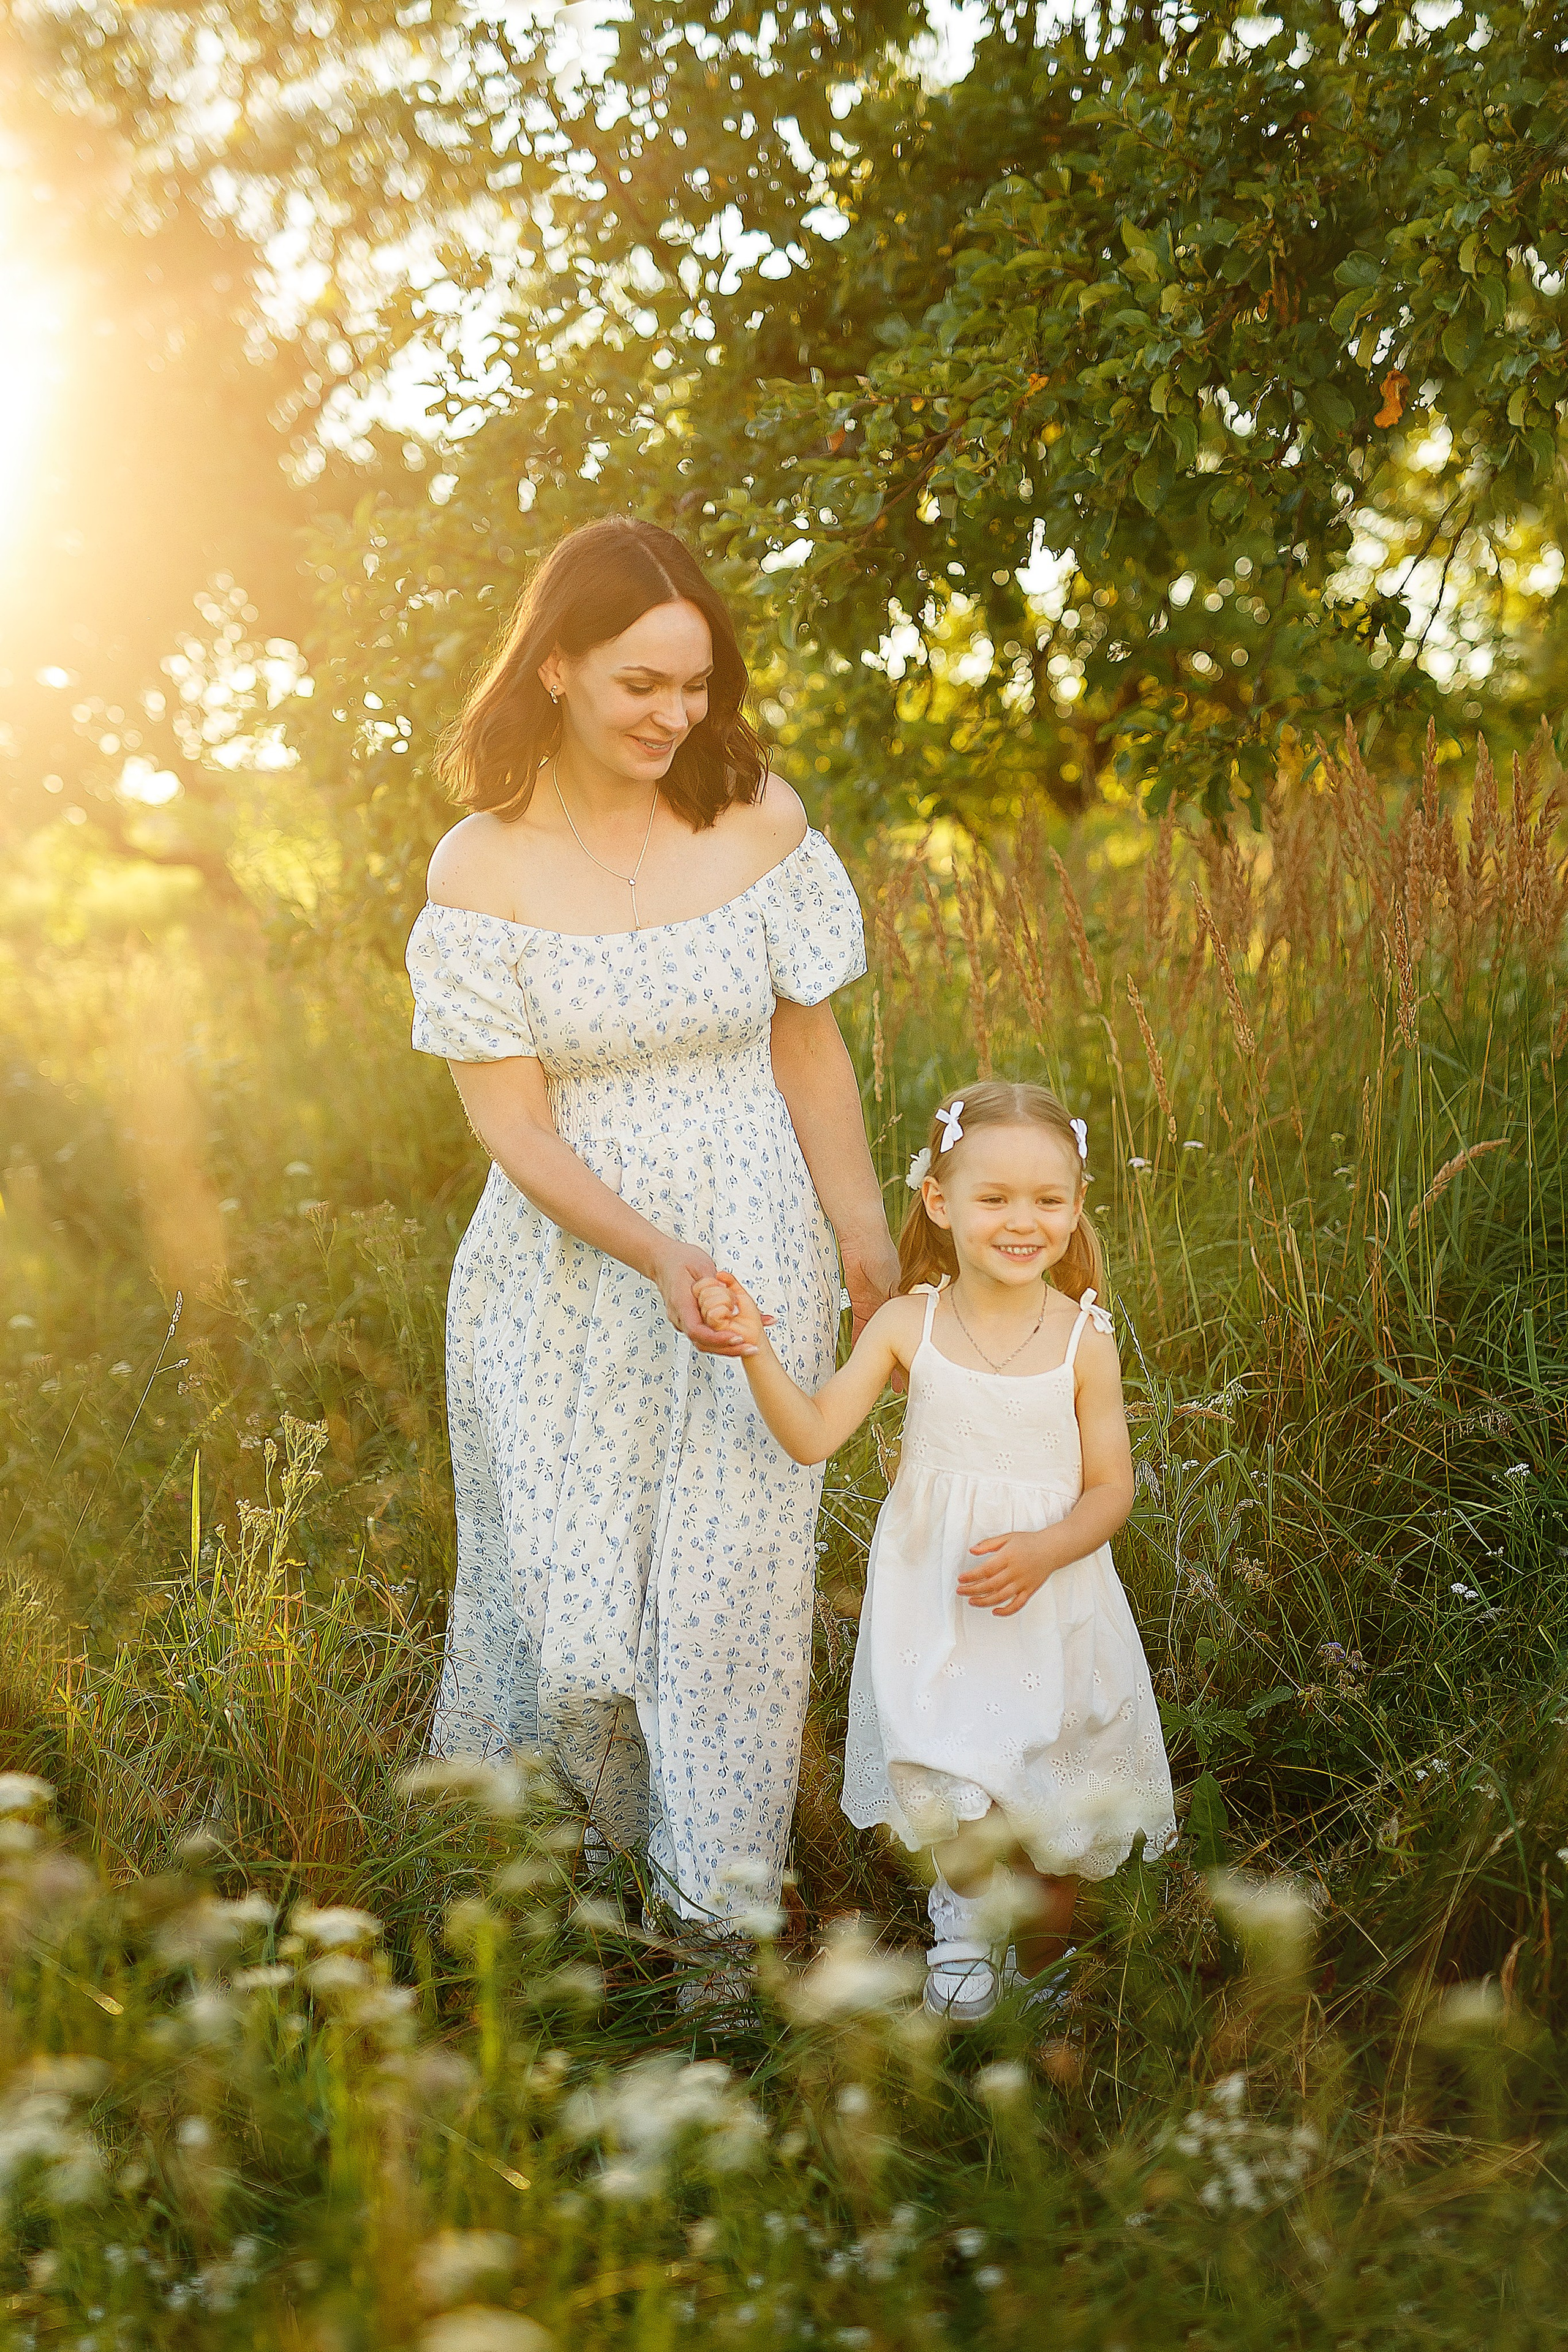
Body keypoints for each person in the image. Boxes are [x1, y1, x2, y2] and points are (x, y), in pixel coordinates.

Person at [404, 516, 899, 1930]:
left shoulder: (759, 820)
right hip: (562, 1275)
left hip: (754, 1255)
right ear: (555, 667)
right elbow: (512, 1127)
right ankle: (568, 1905)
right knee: (570, 1633)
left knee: (724, 1614)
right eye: (640, 684)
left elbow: (805, 1047)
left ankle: (716, 1945)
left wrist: (862, 1239)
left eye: (695, 685)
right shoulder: (480, 869)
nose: (674, 715)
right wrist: (654, 1252)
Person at [696, 1079, 1177, 2020]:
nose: (1022, 1221)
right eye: (994, 1197)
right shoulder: (905, 1325)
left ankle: (1041, 1969)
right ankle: (963, 1928)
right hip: (941, 1602)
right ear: (940, 1201)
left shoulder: (1083, 1341)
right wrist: (755, 1349)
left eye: (1048, 1199)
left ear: (1077, 1206)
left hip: (1051, 1603)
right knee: (954, 1774)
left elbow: (1111, 1489)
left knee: (1053, 1799)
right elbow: (813, 1436)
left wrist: (1047, 1548)